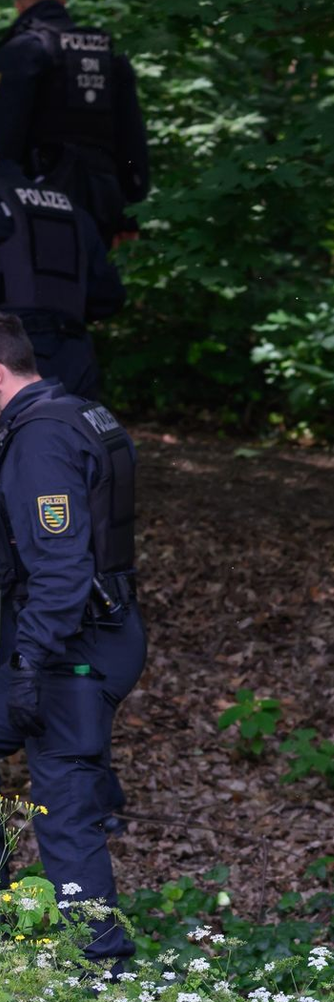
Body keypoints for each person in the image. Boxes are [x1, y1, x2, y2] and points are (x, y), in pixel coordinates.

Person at [0, 313, 144, 968]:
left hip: (70, 648)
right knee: (67, 794)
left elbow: (60, 569)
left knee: (64, 808)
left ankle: (103, 968)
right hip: (97, 633)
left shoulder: (40, 443)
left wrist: (29, 661)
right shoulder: (83, 413)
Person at [0, 0, 150, 247]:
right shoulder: (108, 52)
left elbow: (6, 132)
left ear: (19, 5)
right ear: (63, 0)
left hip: (36, 197)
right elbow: (131, 140)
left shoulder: (23, 49)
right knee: (89, 286)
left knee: (40, 285)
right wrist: (130, 208)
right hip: (103, 198)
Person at [0, 158, 126, 398]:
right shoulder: (72, 209)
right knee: (70, 434)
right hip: (75, 358)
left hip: (11, 359)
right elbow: (109, 297)